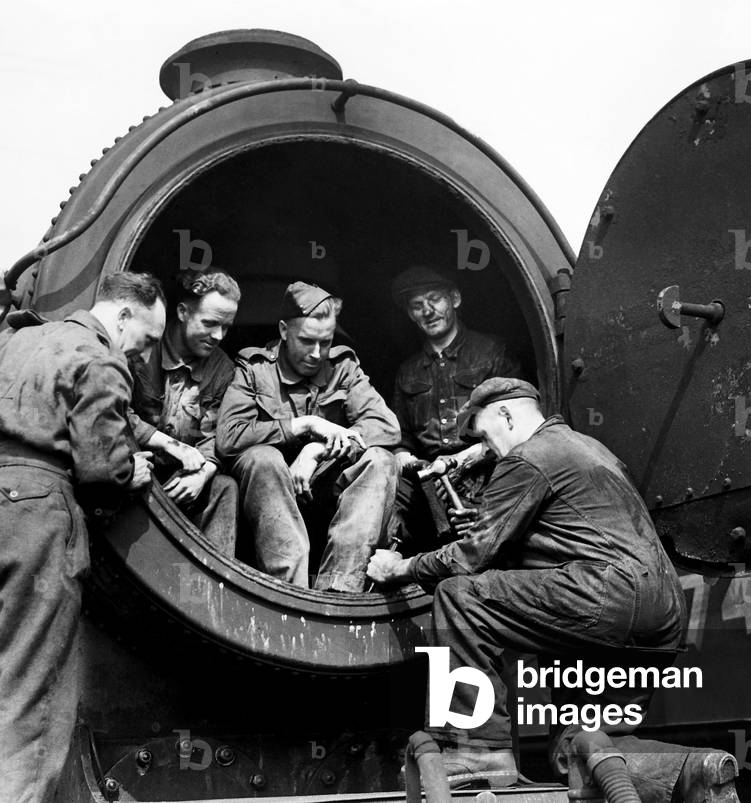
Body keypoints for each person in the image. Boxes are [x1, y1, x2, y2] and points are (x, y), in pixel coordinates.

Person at [367, 378, 686, 788]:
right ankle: (696, 773)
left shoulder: (527, 457)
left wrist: (403, 567)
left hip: (606, 595)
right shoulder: (590, 447)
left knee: (460, 597)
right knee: (582, 749)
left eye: (485, 434)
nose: (487, 448)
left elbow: (471, 558)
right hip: (662, 617)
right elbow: (579, 532)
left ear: (506, 414)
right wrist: (492, 526)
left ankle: (479, 751)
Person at [0, 270, 165, 803]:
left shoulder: (16, 338)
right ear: (123, 314)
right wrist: (135, 473)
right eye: (146, 340)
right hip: (35, 513)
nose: (143, 354)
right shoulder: (101, 359)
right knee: (34, 698)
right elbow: (101, 472)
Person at [216, 281, 399, 592]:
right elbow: (229, 438)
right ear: (285, 330)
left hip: (324, 487)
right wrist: (303, 425)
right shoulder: (255, 368)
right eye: (307, 341)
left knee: (380, 460)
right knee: (263, 458)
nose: (317, 354)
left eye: (325, 342)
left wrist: (316, 449)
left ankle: (339, 589)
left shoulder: (343, 367)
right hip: (270, 491)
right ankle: (289, 591)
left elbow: (386, 426)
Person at [389, 266, 522, 547]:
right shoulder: (407, 371)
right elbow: (400, 439)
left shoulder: (493, 352)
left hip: (487, 473)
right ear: (411, 315)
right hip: (427, 487)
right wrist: (405, 459)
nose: (427, 310)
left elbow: (519, 428)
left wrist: (461, 463)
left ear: (455, 299)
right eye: (417, 305)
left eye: (434, 299)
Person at [129, 269, 241, 556]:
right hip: (136, 469)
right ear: (182, 312)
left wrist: (203, 473)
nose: (218, 335)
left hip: (183, 476)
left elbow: (215, 434)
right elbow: (117, 412)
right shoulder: (143, 347)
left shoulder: (222, 369)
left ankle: (214, 586)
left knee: (223, 487)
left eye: (226, 327)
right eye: (210, 323)